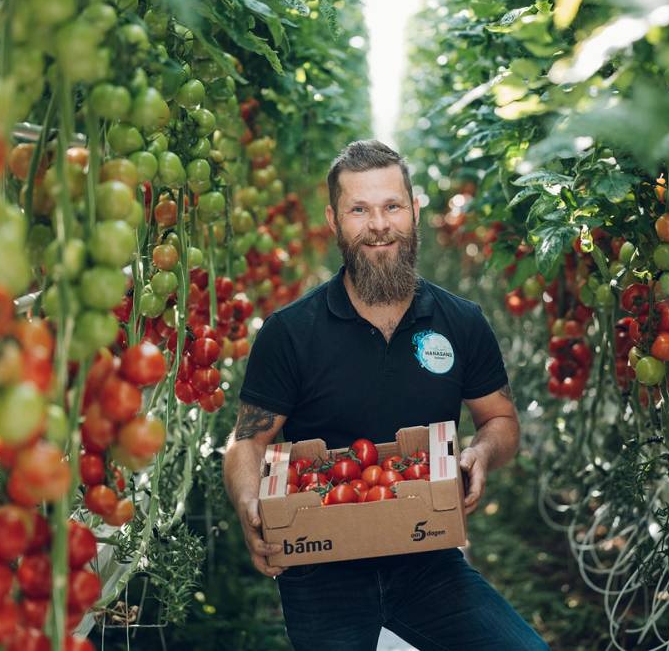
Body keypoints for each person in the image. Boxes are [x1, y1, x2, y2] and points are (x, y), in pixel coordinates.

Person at [222, 140, 550, 651]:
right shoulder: (291, 333)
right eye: (359, 210)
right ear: (334, 220)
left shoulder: (460, 322)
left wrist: (481, 453)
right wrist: (249, 504)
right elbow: (247, 441)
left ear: (414, 211)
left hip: (427, 558)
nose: (378, 225)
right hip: (320, 564)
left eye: (392, 206)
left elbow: (500, 420)